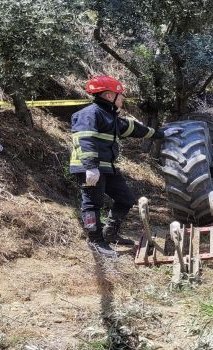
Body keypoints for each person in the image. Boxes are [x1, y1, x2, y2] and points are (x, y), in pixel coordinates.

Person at [70, 75, 182, 257]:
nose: (123, 98)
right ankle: (96, 241)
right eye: (120, 94)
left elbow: (136, 129)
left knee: (126, 199)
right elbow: (84, 140)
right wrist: (90, 167)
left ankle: (110, 233)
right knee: (92, 204)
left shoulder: (110, 116)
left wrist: (162, 134)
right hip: (90, 168)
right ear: (108, 96)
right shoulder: (89, 114)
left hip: (106, 167)